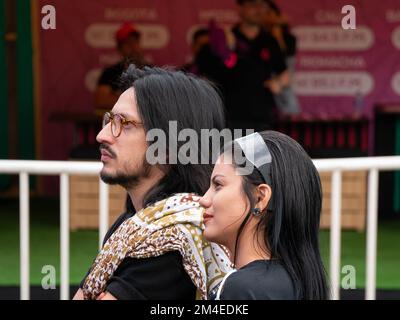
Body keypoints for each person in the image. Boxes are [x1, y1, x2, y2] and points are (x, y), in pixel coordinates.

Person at [73, 65, 232, 300]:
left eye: (124, 123)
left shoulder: (171, 242)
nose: (103, 135)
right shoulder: (134, 225)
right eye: (109, 120)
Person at [200, 131, 329, 299]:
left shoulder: (242, 289)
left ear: (259, 198)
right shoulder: (299, 281)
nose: (203, 199)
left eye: (218, 185)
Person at [196, 0, 289, 131]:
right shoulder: (227, 37)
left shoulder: (270, 41)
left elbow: (284, 72)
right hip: (229, 116)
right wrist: (225, 49)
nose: (259, 10)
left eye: (263, 6)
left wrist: (278, 83)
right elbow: (205, 72)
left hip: (261, 117)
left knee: (260, 151)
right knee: (230, 152)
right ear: (241, 7)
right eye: (254, 4)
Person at [94, 23, 149, 112]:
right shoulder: (110, 73)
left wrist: (118, 97)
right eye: (128, 44)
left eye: (135, 42)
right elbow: (101, 101)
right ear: (119, 49)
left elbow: (160, 100)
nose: (133, 47)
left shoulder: (152, 71)